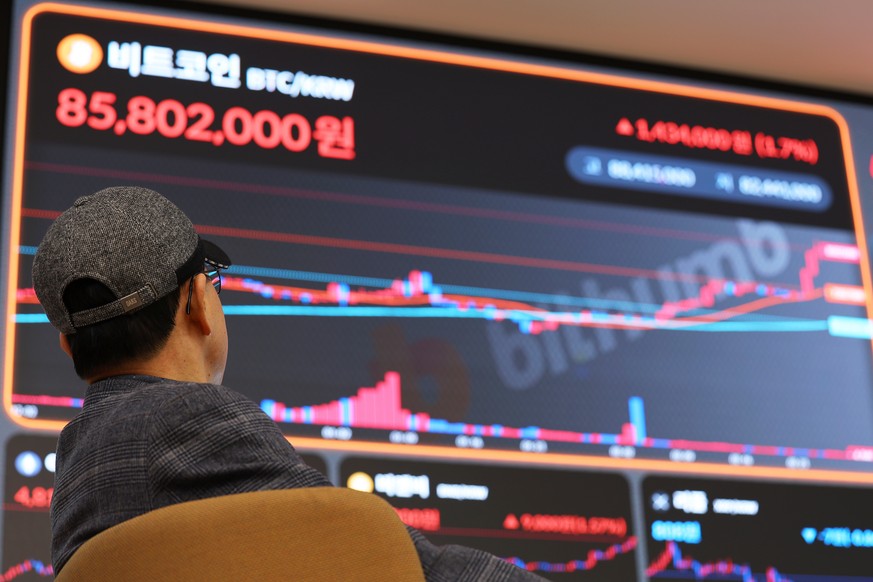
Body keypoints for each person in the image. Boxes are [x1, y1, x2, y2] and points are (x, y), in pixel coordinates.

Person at [34, 186, 544, 580]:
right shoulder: (188, 423)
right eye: (212, 281)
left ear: (66, 343)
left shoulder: (80, 465)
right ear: (197, 303)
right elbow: (393, 563)